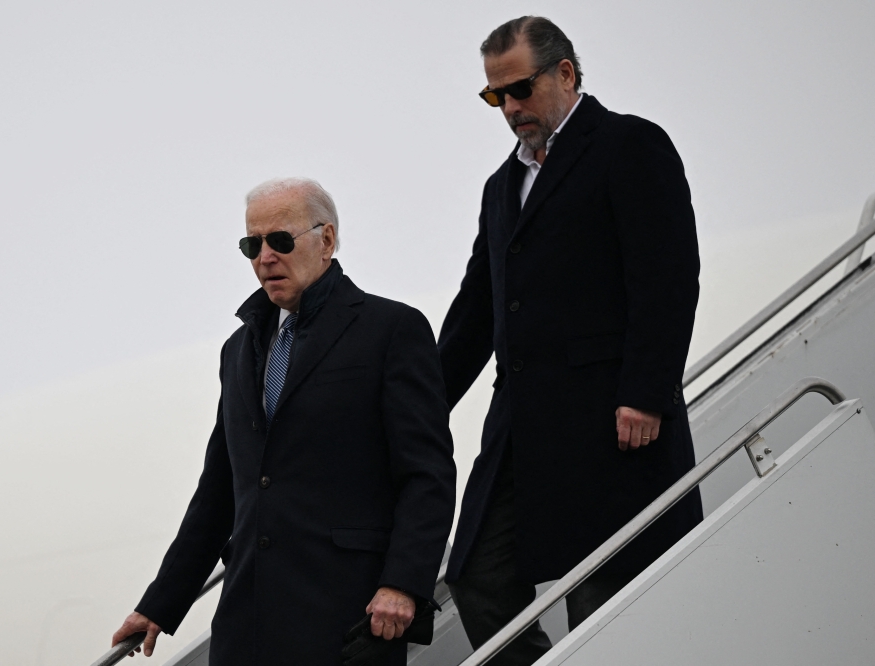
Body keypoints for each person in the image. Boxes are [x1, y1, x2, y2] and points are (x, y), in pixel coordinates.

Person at [437, 16, 703, 664]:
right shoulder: (501, 187)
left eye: (521, 88)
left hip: (612, 420)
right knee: (477, 575)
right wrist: (416, 402)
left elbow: (667, 275)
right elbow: (477, 311)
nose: (510, 107)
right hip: (521, 425)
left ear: (566, 73)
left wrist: (646, 391)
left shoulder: (629, 145)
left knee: (601, 599)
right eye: (495, 96)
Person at [110, 178, 456, 665]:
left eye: (280, 241)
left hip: (348, 618)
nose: (264, 257)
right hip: (247, 624)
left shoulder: (390, 329)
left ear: (327, 240)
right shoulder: (238, 351)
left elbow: (428, 474)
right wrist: (160, 604)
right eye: (252, 244)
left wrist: (402, 583)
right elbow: (220, 490)